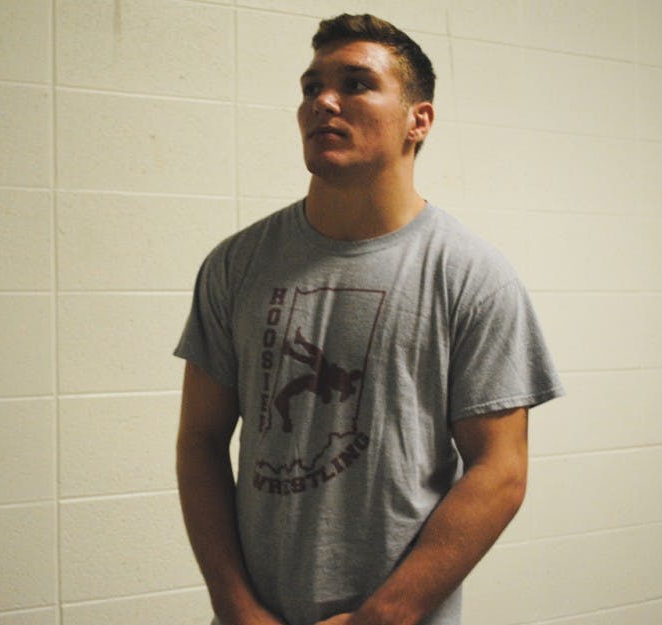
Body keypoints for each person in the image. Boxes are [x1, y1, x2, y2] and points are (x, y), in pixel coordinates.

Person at [174, 13, 563, 625]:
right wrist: (236, 606)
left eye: (356, 84)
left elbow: (501, 471)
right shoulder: (235, 264)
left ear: (419, 120)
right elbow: (199, 442)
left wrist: (383, 617)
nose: (323, 101)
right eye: (310, 87)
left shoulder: (470, 275)